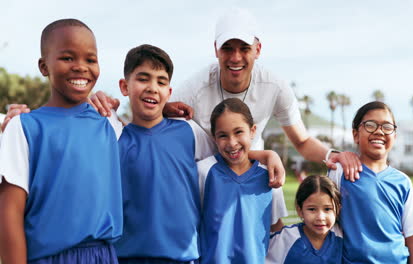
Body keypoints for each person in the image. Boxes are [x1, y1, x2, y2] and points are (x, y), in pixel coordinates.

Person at [86, 7, 362, 182]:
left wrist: (333, 155)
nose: (236, 57)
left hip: (257, 168)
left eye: (244, 47)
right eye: (227, 48)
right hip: (207, 176)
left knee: (268, 231)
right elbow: (145, 122)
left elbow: (301, 141)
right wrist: (104, 108)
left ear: (258, 49)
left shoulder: (275, 86)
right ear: (216, 50)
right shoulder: (195, 86)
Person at [113, 44, 284, 263]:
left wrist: (265, 155)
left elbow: (229, 151)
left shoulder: (188, 131)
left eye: (161, 82)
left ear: (169, 92)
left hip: (183, 258)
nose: (152, 88)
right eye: (143, 79)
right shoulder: (114, 138)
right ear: (124, 86)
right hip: (128, 257)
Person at [0, 19, 122, 263]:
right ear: (44, 67)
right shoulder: (24, 127)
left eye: (90, 59)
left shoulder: (108, 123)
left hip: (102, 255)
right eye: (68, 58)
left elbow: (150, 125)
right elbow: (9, 212)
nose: (81, 67)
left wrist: (170, 107)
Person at [328, 101, 413, 264]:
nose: (379, 131)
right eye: (370, 125)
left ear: (394, 135)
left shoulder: (403, 182)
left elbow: (412, 238)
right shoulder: (340, 172)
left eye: (387, 127)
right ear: (355, 134)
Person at [197, 98, 288, 264]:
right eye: (223, 135)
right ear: (214, 138)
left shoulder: (271, 176)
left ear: (252, 131)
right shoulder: (203, 171)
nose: (232, 143)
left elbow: (276, 229)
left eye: (239, 132)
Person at [266, 175, 343, 264]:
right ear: (300, 210)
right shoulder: (285, 239)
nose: (320, 217)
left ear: (338, 209)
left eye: (327, 209)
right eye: (312, 209)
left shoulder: (342, 236)